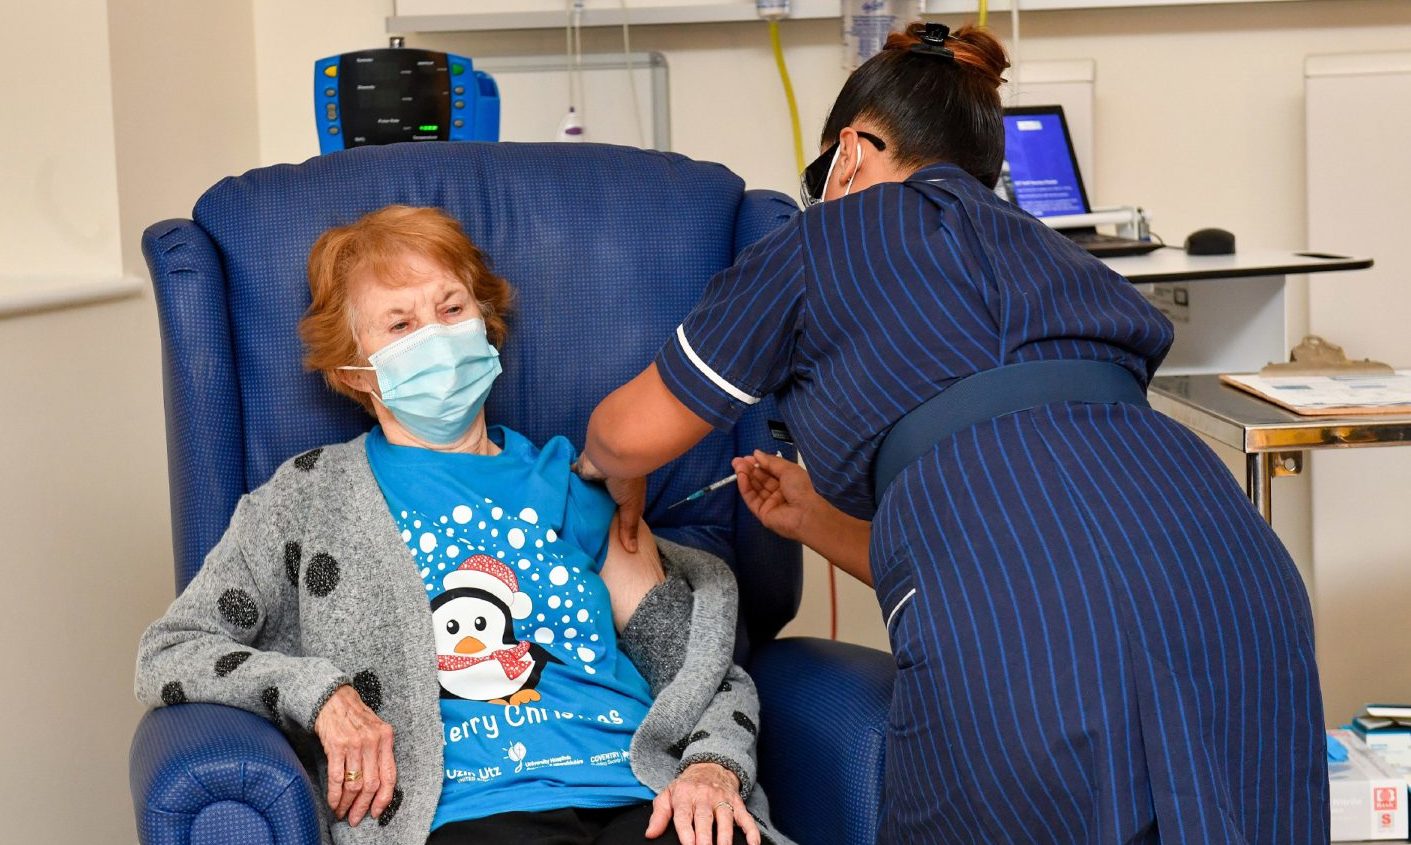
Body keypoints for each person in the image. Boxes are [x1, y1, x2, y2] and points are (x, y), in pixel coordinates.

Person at [577, 22, 1326, 844]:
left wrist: (604, 470)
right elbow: (1041, 519)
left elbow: (627, 435)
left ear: (852, 151)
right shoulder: (1057, 254)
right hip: (1233, 582)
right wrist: (811, 520)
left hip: (1028, 627)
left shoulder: (818, 241)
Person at [135, 206, 793, 845]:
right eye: (400, 324)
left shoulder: (574, 485)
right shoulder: (307, 498)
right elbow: (170, 651)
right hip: (467, 812)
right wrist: (321, 694)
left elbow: (695, 668)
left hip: (641, 795)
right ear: (351, 370)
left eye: (452, 309)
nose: (437, 338)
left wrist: (712, 765)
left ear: (485, 320)